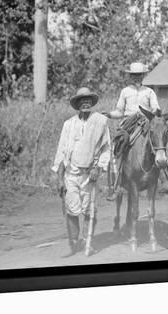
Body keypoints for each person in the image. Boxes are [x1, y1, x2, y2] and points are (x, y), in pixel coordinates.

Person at [51, 87, 111, 255]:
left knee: (89, 210)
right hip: (71, 173)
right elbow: (61, 152)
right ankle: (74, 242)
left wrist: (98, 169)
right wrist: (59, 179)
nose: (85, 102)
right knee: (72, 209)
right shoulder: (68, 124)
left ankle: (87, 241)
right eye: (82, 100)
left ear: (92, 102)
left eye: (88, 100)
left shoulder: (100, 122)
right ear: (77, 104)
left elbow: (107, 148)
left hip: (89, 175)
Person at [104, 62, 162, 200]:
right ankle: (116, 183)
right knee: (118, 145)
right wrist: (110, 115)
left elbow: (155, 107)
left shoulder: (149, 92)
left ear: (143, 75)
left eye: (139, 75)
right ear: (130, 76)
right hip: (128, 124)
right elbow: (119, 111)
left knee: (160, 141)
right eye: (134, 75)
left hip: (145, 122)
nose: (137, 77)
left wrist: (155, 110)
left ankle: (166, 179)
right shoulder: (125, 91)